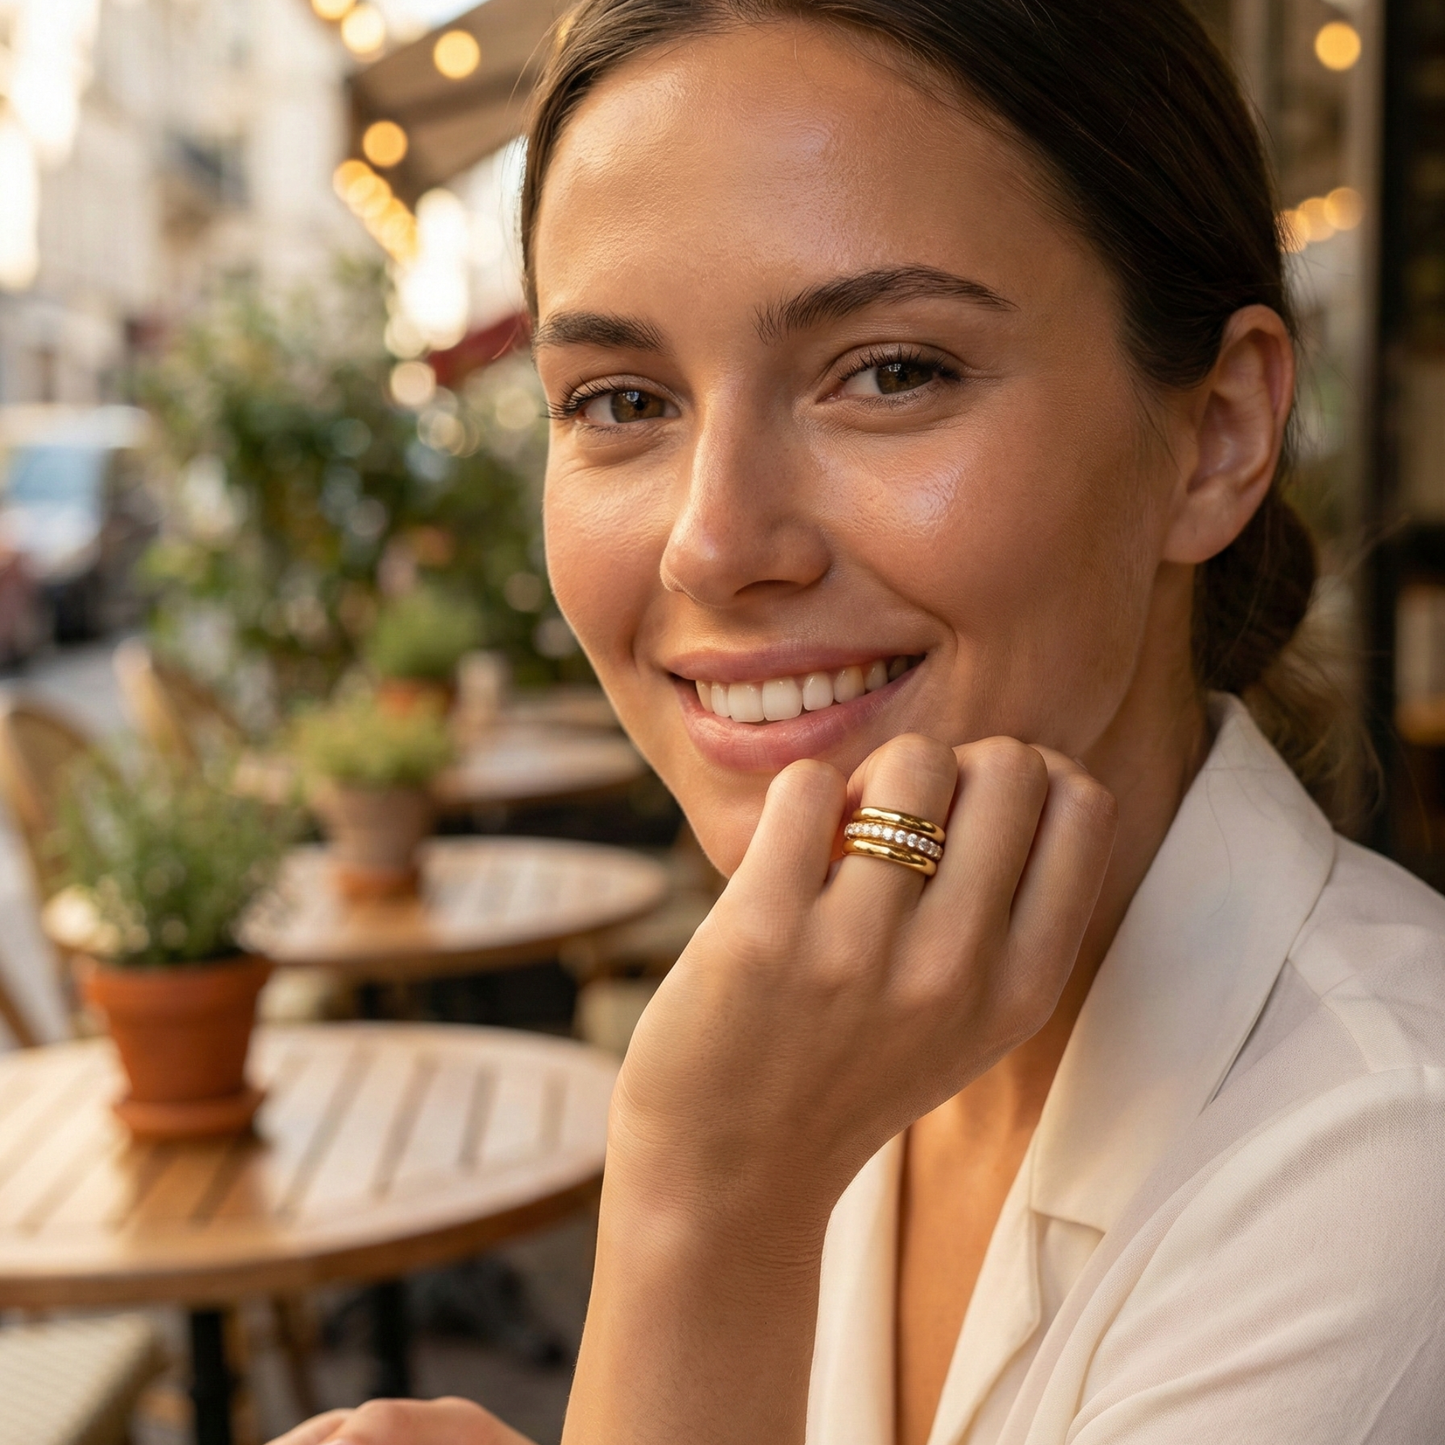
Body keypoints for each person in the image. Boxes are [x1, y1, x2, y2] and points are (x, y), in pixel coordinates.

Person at [273, 2, 1445, 1443]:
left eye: (891, 371)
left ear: (1217, 434)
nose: (712, 544)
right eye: (621, 400)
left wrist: (704, 1211)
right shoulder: (853, 1011)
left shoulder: (1389, 1172)